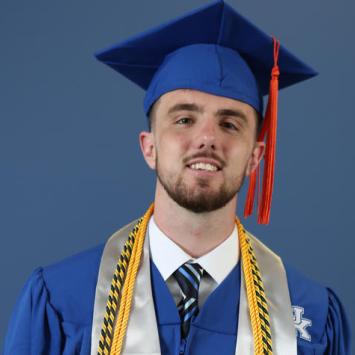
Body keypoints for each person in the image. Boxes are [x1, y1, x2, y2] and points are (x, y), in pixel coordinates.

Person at [4, 1, 351, 354]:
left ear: (255, 157)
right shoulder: (64, 300)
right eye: (184, 119)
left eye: (229, 124)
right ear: (149, 147)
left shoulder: (311, 317)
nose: (207, 138)